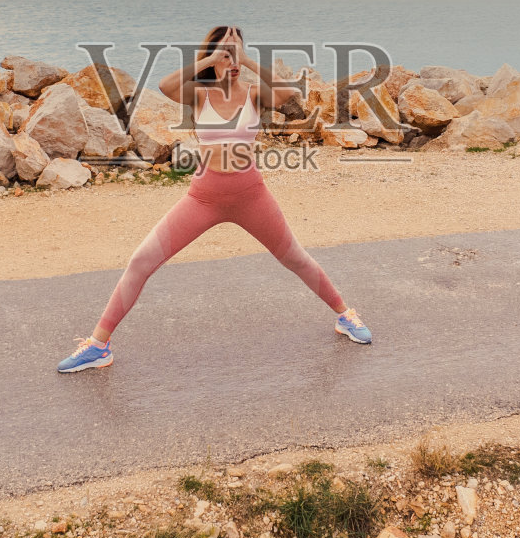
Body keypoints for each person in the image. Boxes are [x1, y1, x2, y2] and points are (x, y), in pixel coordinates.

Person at [57, 25, 370, 372]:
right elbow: (164, 87)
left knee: (296, 258)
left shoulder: (253, 93)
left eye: (237, 51)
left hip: (251, 196)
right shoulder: (200, 94)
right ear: (213, 56)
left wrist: (247, 60)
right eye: (225, 53)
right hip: (204, 198)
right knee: (142, 260)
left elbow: (286, 93)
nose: (231, 59)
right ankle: (99, 345)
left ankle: (345, 315)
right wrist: (208, 59)